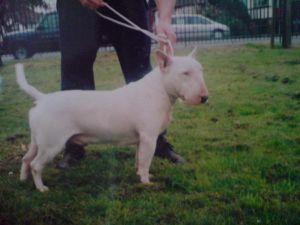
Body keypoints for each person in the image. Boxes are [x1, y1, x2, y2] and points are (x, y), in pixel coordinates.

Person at [57, 0, 185, 168]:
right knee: (75, 72)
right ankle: (73, 145)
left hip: (128, 4)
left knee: (140, 72)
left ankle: (156, 139)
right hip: (76, 6)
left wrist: (165, 19)